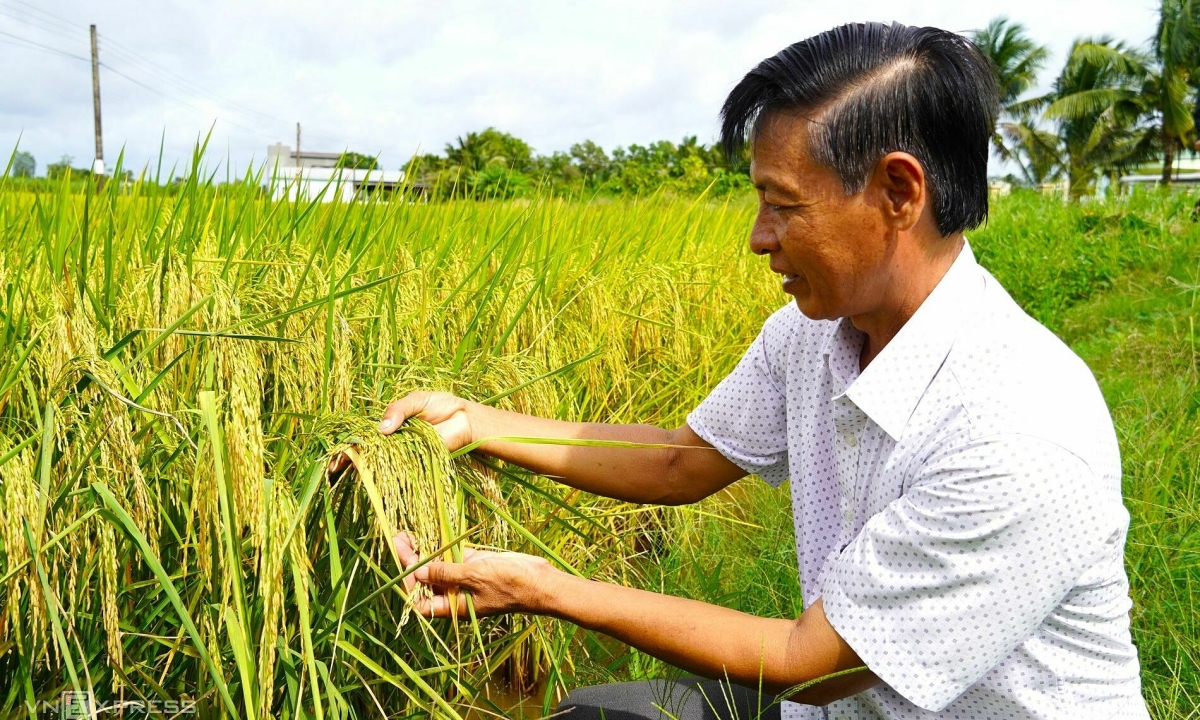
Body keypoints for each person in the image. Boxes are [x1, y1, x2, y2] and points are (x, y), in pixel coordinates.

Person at [347, 22, 1151, 719]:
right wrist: (480, 423)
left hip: (856, 695)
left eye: (785, 203)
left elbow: (815, 665)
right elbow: (677, 459)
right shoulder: (812, 335)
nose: (759, 237)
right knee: (594, 715)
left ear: (898, 190)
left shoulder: (1019, 429)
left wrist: (549, 590)